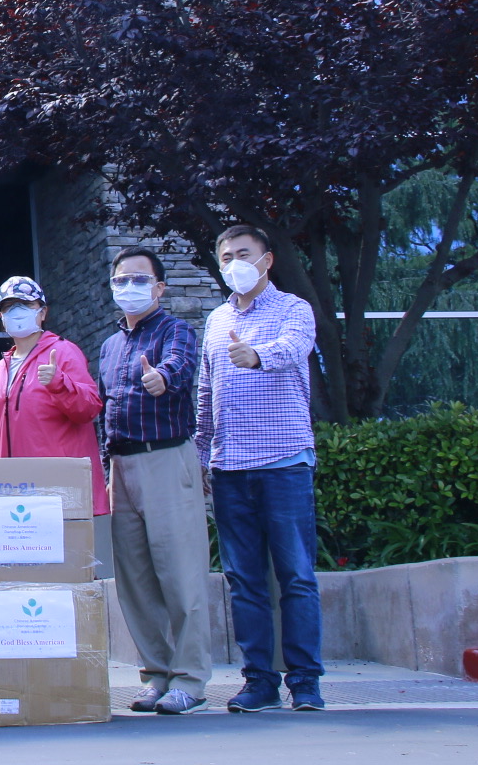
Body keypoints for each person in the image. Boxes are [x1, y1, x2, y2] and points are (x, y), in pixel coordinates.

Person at [196, 223, 324, 713]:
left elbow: (295, 348)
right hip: (229, 468)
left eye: (244, 254)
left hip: (283, 463)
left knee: (296, 576)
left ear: (267, 260)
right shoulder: (216, 320)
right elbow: (206, 392)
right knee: (244, 581)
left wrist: (256, 356)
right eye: (226, 256)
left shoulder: (293, 309)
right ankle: (260, 682)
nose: (235, 264)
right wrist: (202, 454)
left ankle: (306, 682)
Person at [97, 246, 210, 716]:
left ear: (159, 287)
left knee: (181, 576)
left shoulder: (175, 330)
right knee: (135, 580)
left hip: (165, 458)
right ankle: (156, 674)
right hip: (121, 466)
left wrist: (161, 378)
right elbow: (104, 408)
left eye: (139, 279)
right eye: (121, 280)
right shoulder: (109, 346)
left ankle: (190, 681)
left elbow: (179, 368)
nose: (129, 287)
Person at [0, 275, 105, 505]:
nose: (16, 312)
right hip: (9, 489)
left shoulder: (63, 352)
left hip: (58, 489)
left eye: (25, 304)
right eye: (8, 306)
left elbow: (89, 408)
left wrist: (60, 384)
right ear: (1, 316)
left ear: (43, 312)